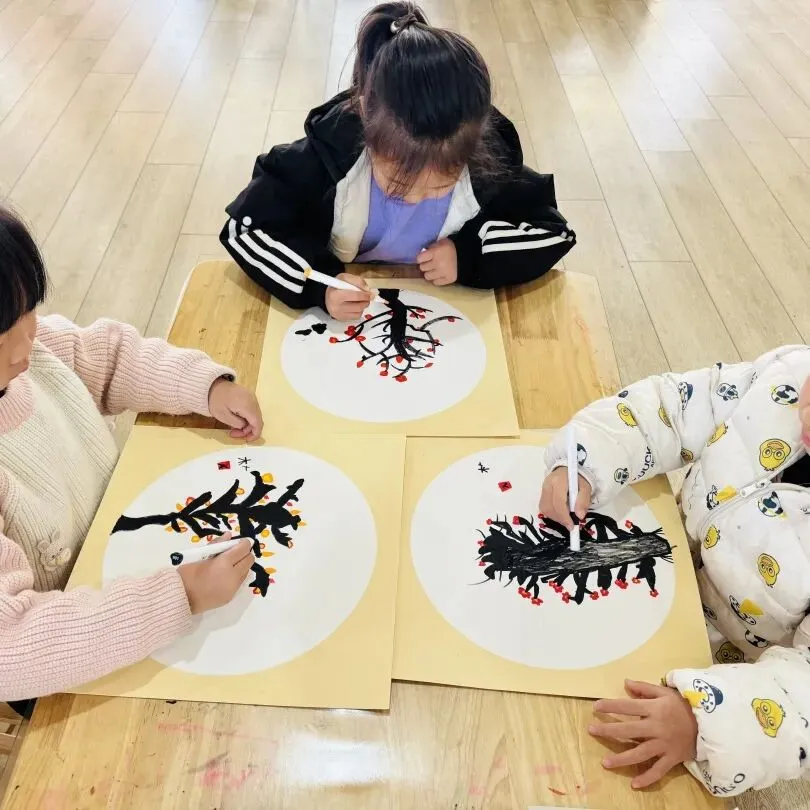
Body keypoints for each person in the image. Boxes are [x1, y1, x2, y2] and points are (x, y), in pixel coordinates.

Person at [0, 205, 264, 702]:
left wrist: (205, 388)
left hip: (133, 551)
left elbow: (114, 358)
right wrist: (179, 597)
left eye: (25, 310)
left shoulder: (34, 351)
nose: (25, 341)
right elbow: (10, 649)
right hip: (68, 657)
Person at [539, 347, 810, 796]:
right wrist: (585, 460)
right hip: (646, 574)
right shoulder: (785, 377)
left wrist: (705, 721)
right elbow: (670, 409)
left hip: (720, 673)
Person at [221, 1, 575, 322]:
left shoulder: (487, 168)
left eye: (439, 187)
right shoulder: (323, 157)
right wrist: (319, 283)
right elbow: (245, 230)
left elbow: (554, 231)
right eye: (398, 184)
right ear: (365, 121)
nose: (415, 198)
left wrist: (468, 256)